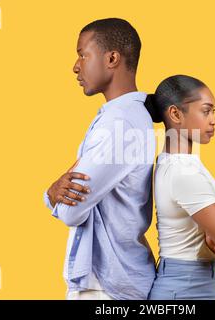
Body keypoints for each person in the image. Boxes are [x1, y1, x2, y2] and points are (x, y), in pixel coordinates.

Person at [43, 18, 156, 300]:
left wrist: (51, 193)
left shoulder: (119, 124)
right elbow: (63, 196)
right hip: (114, 283)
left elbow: (70, 211)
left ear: (112, 58)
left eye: (83, 54)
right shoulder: (123, 118)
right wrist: (52, 193)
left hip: (108, 288)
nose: (76, 66)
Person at [144, 75, 215, 300]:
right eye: (206, 110)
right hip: (186, 290)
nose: (214, 120)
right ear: (175, 114)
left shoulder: (182, 163)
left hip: (188, 285)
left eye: (214, 111)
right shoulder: (183, 173)